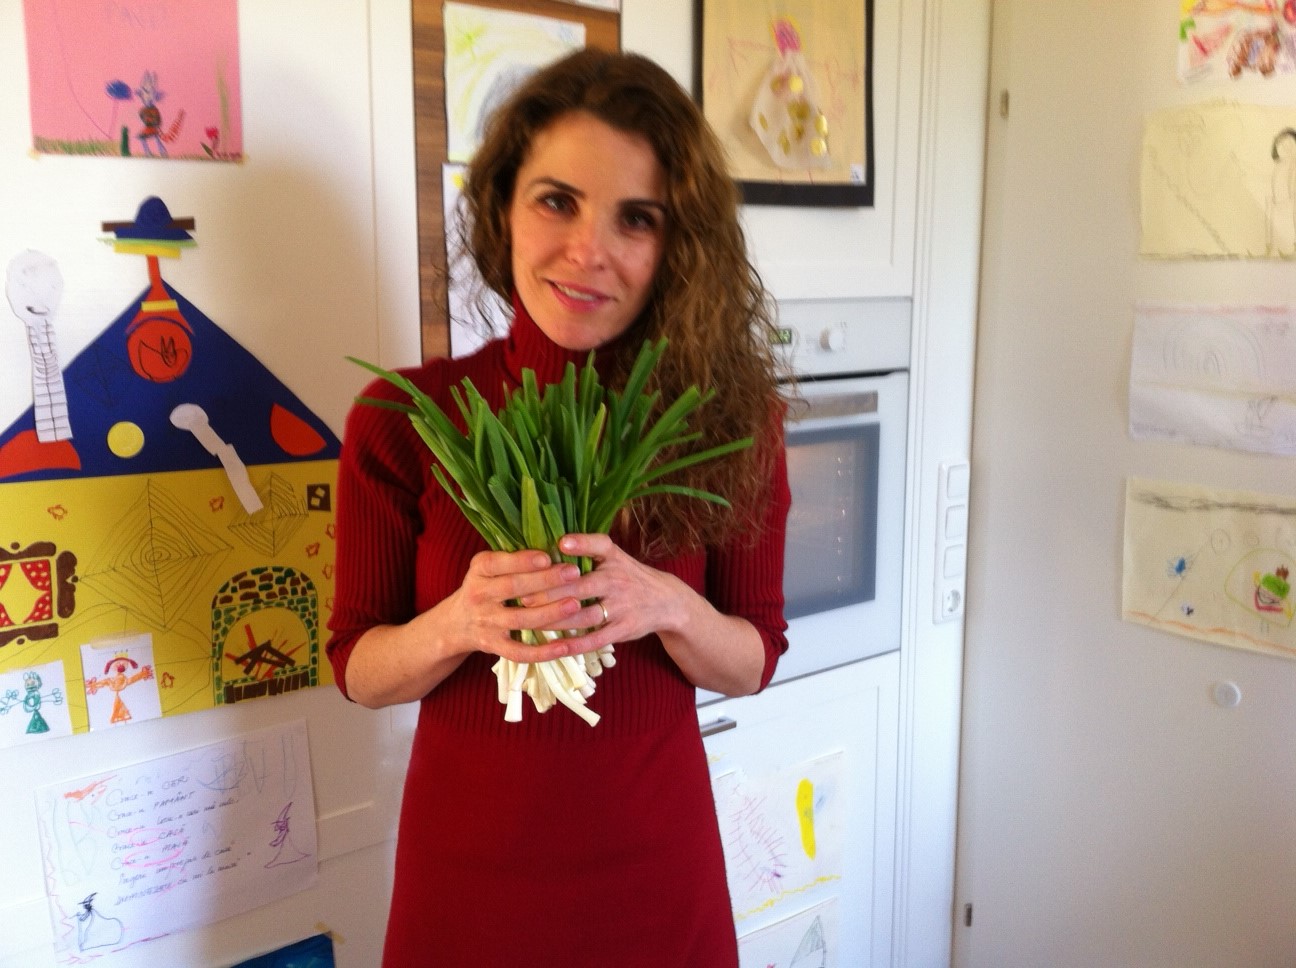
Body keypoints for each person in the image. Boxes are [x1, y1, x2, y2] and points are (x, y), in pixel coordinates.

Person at [327, 48, 790, 968]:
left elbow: (753, 661)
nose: (588, 251)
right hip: (466, 878)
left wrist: (665, 603)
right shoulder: (403, 418)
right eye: (556, 201)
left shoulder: (728, 424)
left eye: (636, 218)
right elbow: (357, 669)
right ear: (502, 207)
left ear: (678, 245)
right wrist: (461, 621)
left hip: (656, 877)